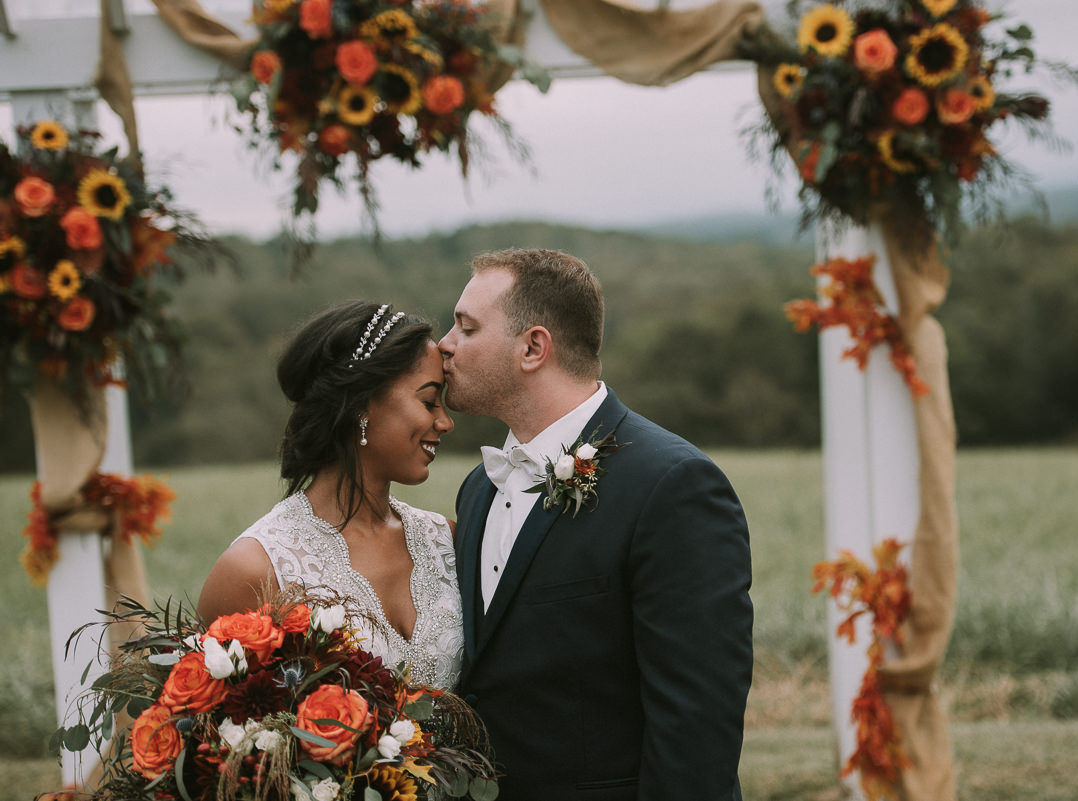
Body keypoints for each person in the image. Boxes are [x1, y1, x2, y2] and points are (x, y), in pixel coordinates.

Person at [438, 248, 754, 800]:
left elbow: (697, 728)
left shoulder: (672, 487)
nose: (444, 343)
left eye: (466, 327)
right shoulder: (479, 489)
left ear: (533, 347)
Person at [198, 300, 463, 690]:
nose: (445, 422)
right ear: (360, 405)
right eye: (428, 401)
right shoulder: (254, 570)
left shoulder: (448, 542)